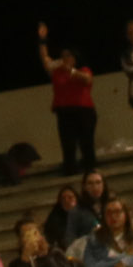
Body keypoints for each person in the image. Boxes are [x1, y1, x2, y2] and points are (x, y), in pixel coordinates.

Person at [36, 24, 99, 177]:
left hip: (83, 110)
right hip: (64, 111)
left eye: (68, 55)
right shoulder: (57, 72)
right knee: (68, 143)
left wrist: (70, 70)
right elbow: (45, 58)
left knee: (86, 142)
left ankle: (90, 169)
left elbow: (87, 79)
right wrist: (42, 40)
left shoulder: (82, 70)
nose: (65, 58)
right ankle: (70, 170)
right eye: (63, 56)